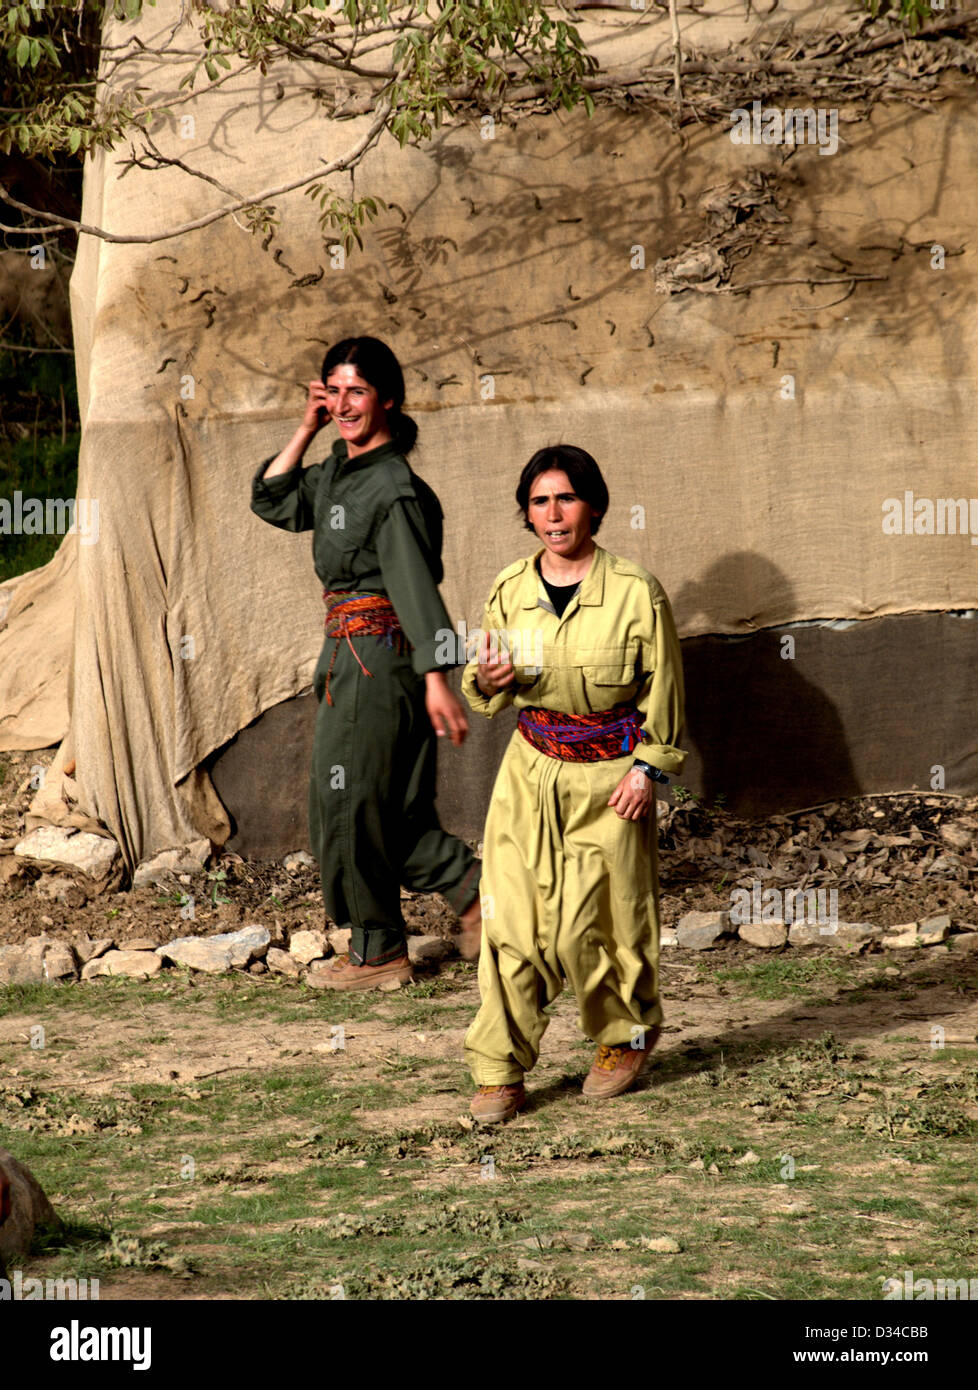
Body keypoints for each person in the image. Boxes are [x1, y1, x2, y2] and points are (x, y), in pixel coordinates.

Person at [460, 445, 686, 1121]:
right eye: (539, 502)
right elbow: (485, 686)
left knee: (601, 926)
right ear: (526, 514)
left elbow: (665, 689)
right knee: (513, 924)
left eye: (565, 499)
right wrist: (485, 682)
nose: (553, 515)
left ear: (593, 505)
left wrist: (648, 768)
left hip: (612, 783)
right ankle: (500, 1068)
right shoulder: (508, 589)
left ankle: (626, 1038)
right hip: (528, 777)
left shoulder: (635, 591)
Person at [250, 337, 481, 988]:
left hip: (378, 656)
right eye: (333, 390)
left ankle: (383, 952)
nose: (344, 404)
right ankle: (470, 900)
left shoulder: (391, 485)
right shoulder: (336, 473)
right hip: (352, 654)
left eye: (357, 391)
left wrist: (438, 677)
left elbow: (412, 583)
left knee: (346, 799)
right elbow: (272, 499)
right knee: (384, 807)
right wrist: (304, 427)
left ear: (387, 400)